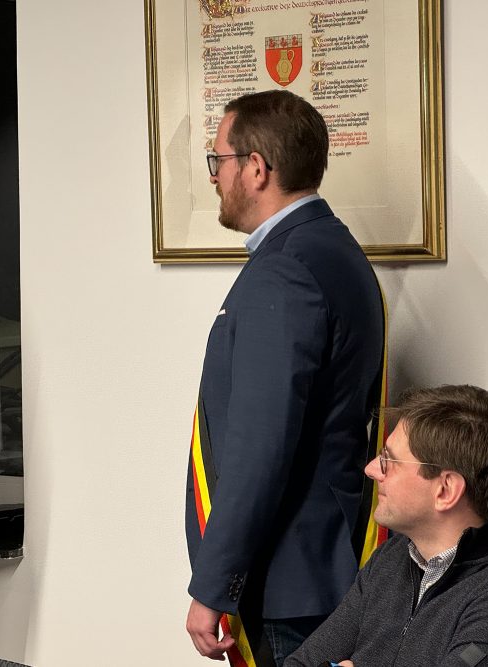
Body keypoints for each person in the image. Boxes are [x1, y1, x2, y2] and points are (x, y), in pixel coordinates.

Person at [184, 90, 386, 665]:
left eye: (218, 161)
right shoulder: (333, 248)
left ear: (255, 168)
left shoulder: (285, 271)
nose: (215, 177)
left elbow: (259, 447)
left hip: (287, 577)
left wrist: (214, 585)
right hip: (323, 561)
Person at [286, 384, 488, 667]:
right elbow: (301, 663)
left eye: (388, 460)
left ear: (446, 490)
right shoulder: (394, 555)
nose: (371, 469)